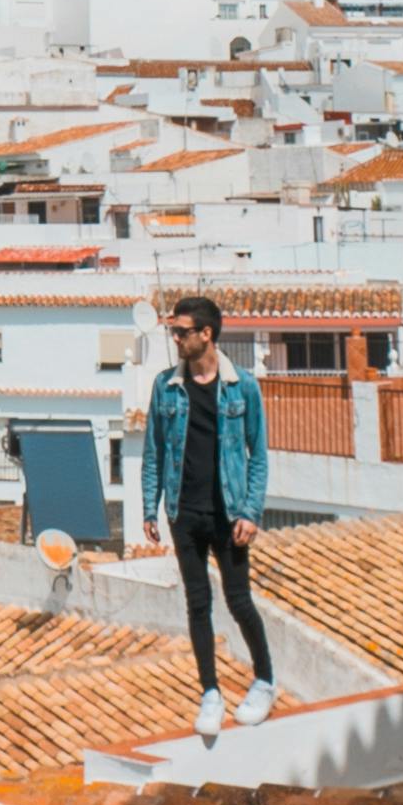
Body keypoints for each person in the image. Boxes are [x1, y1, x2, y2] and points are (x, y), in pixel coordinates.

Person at [141, 294, 277, 736]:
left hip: (229, 514)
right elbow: (153, 452)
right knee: (198, 604)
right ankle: (210, 692)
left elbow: (258, 456)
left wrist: (251, 511)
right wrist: (150, 506)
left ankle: (264, 680)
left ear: (207, 334)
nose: (175, 338)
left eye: (182, 331)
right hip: (185, 512)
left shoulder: (244, 387)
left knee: (239, 601)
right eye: (173, 331)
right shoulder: (165, 387)